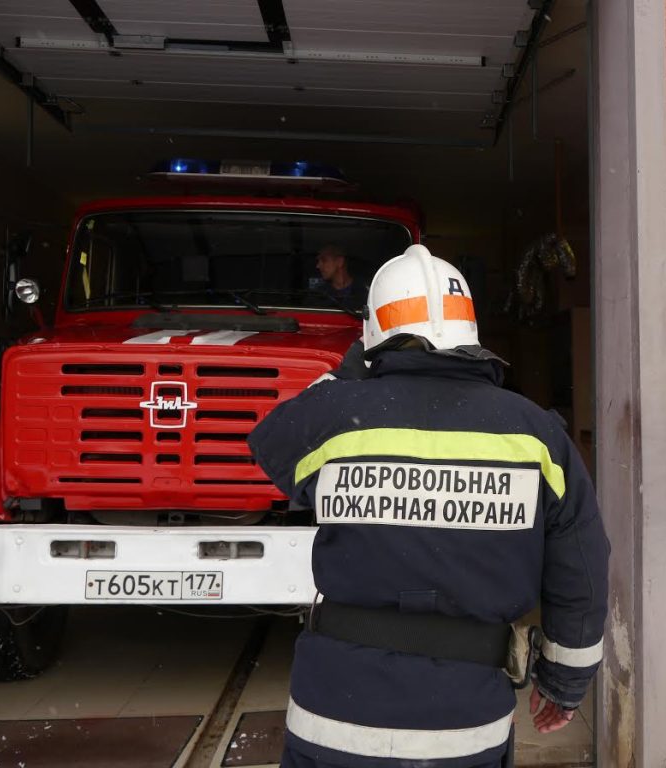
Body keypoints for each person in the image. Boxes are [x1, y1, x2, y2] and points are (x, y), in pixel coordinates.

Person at [248, 244, 610, 768]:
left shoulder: (335, 416)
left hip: (334, 719)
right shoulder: (536, 435)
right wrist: (565, 681)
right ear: (471, 332)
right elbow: (582, 565)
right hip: (463, 728)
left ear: (374, 330)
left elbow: (273, 441)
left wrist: (355, 366)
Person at [310, 245, 367, 310]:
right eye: (318, 261)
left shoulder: (365, 294)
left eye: (324, 260)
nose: (318, 266)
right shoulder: (318, 295)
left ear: (340, 261)